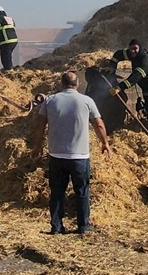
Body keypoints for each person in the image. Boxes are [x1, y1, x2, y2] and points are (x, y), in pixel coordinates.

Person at [29, 71, 111, 235]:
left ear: (61, 84)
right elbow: (99, 124)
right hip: (80, 157)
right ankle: (83, 226)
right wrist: (105, 143)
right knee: (82, 191)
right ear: (78, 84)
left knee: (57, 191)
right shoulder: (87, 101)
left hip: (56, 155)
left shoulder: (50, 101)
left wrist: (37, 146)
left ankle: (57, 227)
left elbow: (39, 125)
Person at [107, 39, 148, 135]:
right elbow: (118, 54)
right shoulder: (132, 54)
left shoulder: (146, 60)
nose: (133, 51)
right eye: (131, 49)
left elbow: (136, 76)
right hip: (147, 91)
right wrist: (112, 66)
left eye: (135, 48)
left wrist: (119, 87)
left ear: (140, 48)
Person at [0, 6, 19, 72]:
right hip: (14, 40)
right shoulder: (10, 19)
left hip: (6, 40)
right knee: (8, 55)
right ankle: (9, 68)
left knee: (5, 55)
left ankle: (8, 70)